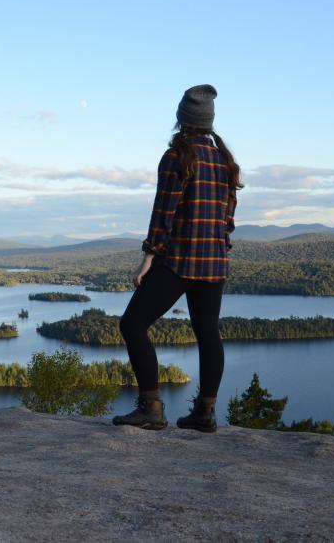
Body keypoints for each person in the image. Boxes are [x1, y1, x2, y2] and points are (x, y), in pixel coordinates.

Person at [112, 84, 242, 433]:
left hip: (180, 260)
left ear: (181, 120)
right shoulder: (225, 162)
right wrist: (217, 250)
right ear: (209, 122)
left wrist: (148, 259)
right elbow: (228, 220)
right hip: (215, 262)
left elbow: (163, 213)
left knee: (133, 325)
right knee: (207, 333)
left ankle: (151, 407)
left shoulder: (177, 158)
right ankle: (205, 414)